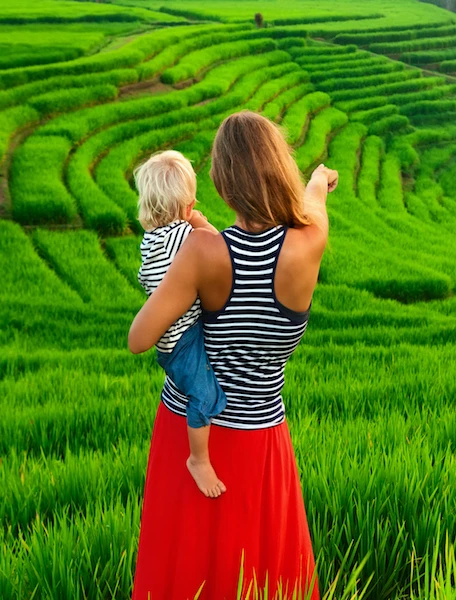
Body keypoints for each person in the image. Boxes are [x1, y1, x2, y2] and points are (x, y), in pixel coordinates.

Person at [129, 111, 338, 600]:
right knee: (261, 575)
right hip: (262, 437)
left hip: (190, 435)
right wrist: (317, 179)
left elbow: (140, 337)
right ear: (278, 170)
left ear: (221, 185)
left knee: (187, 568)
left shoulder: (203, 251)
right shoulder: (310, 242)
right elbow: (313, 202)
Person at [134, 150, 228, 499]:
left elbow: (146, 278)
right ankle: (199, 459)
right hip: (182, 341)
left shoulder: (152, 241)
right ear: (188, 206)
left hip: (173, 339)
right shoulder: (185, 236)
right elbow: (220, 249)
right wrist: (201, 224)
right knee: (203, 393)